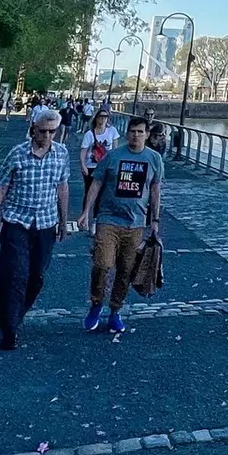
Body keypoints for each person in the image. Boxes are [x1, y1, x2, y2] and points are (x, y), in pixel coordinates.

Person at [0, 108, 72, 350]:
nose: (48, 136)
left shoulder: (61, 154)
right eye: (43, 131)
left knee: (36, 276)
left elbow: (62, 188)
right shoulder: (17, 154)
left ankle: (16, 314)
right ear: (33, 129)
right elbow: (1, 189)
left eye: (53, 132)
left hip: (46, 223)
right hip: (17, 222)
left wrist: (64, 221)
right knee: (15, 274)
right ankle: (9, 328)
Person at [79, 115, 163, 335]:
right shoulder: (113, 156)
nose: (136, 135)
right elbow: (96, 183)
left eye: (140, 132)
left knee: (125, 270)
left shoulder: (154, 159)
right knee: (102, 264)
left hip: (135, 224)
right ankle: (96, 303)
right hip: (108, 219)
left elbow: (155, 191)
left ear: (147, 134)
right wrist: (86, 212)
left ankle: (115, 310)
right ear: (127, 133)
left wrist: (154, 221)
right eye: (133, 131)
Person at [80, 109, 118, 206]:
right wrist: (83, 165)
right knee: (89, 192)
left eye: (105, 117)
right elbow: (83, 152)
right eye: (101, 116)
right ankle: (85, 215)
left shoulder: (112, 131)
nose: (103, 119)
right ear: (96, 118)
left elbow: (115, 150)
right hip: (91, 167)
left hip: (106, 167)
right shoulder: (89, 134)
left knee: (103, 193)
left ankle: (97, 217)